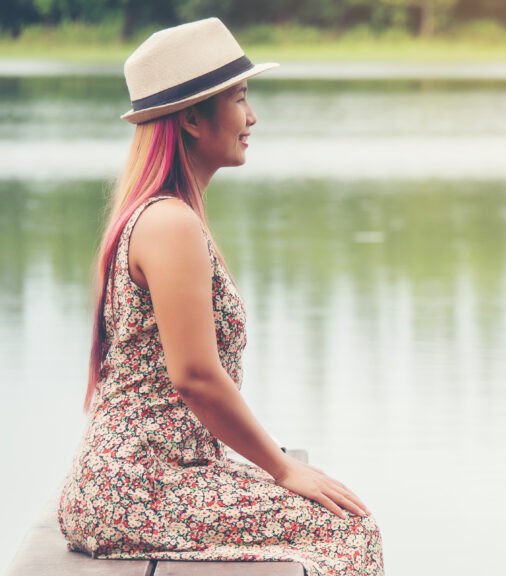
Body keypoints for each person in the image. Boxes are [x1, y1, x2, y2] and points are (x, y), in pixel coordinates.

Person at [55, 18, 384, 576]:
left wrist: (274, 465)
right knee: (350, 530)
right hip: (137, 488)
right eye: (239, 98)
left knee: (334, 509)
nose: (252, 117)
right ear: (190, 119)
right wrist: (282, 469)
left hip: (149, 479)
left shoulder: (164, 214)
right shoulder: (169, 222)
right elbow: (195, 376)